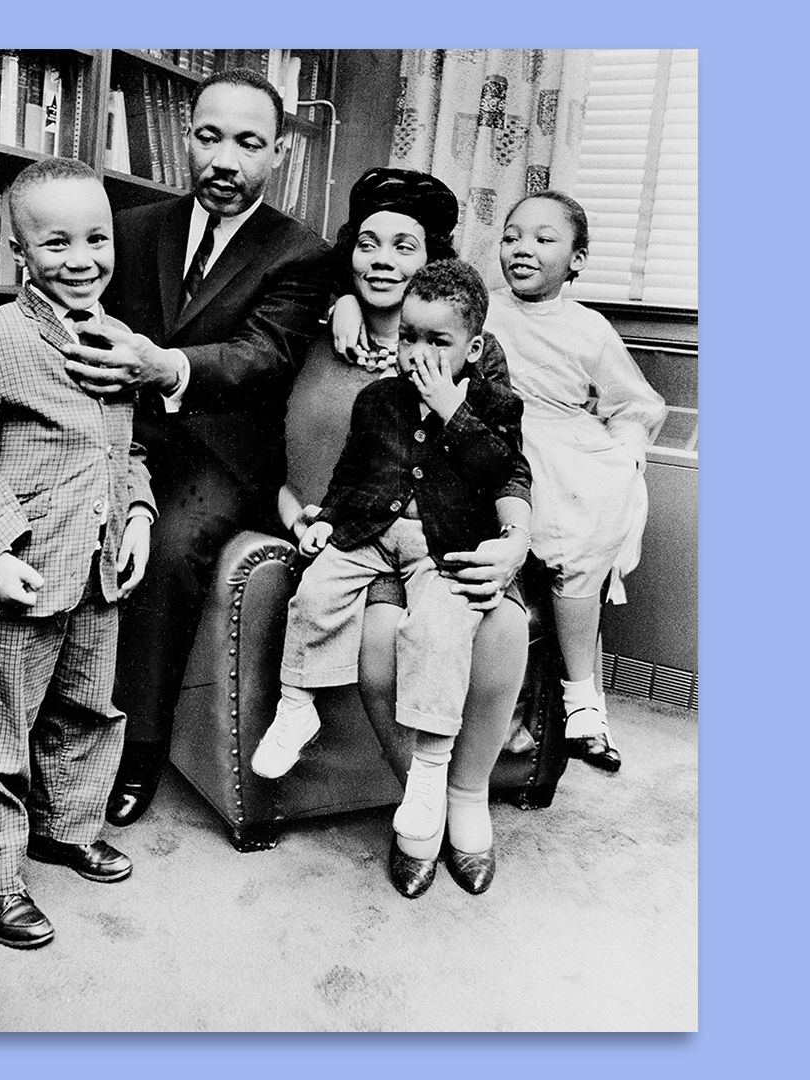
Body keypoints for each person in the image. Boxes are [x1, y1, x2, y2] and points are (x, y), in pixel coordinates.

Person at [0, 69, 329, 827]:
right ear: (188, 139)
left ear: (278, 156)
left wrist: (164, 365)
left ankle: (135, 754)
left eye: (247, 142)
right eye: (207, 137)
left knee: (161, 551)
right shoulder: (128, 225)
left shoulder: (299, 253)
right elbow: (58, 303)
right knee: (17, 534)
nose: (223, 160)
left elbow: (264, 357)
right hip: (99, 431)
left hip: (214, 452)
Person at [275, 167, 535, 898]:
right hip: (362, 534)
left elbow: (508, 465)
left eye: (403, 246)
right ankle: (415, 802)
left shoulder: (473, 356)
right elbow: (279, 453)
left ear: (434, 263)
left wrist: (514, 539)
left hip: (452, 535)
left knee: (499, 631)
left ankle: (465, 796)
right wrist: (300, 515)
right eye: (366, 245)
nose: (381, 261)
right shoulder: (317, 328)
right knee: (382, 642)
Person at [0, 157, 155, 950]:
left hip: (98, 569)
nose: (82, 258)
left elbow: (123, 451)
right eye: (55, 243)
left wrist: (138, 516)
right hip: (19, 579)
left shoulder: (118, 343)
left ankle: (66, 826)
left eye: (96, 238)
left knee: (89, 710)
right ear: (19, 251)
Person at [487, 190, 666, 770]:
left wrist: (627, 452)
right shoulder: (481, 309)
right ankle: (515, 717)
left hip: (565, 453)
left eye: (544, 239)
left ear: (577, 260)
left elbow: (634, 404)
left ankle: (583, 700)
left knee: (577, 551)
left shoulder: (589, 329)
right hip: (496, 440)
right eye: (513, 235)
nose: (523, 248)